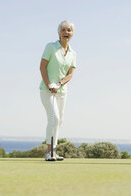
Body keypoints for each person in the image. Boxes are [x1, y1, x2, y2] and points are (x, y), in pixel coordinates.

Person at [39, 20, 76, 161]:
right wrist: (49, 84)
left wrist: (59, 84)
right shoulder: (50, 47)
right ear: (59, 33)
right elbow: (42, 67)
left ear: (72, 34)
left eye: (69, 30)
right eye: (64, 30)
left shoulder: (73, 53)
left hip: (61, 91)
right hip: (46, 90)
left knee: (59, 120)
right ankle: (49, 152)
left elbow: (70, 74)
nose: (66, 32)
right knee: (53, 118)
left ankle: (54, 152)